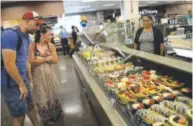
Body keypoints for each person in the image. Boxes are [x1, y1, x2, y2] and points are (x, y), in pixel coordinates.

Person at [1, 11, 44, 126]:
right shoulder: (10, 34)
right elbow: (9, 64)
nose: (38, 28)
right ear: (27, 20)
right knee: (19, 115)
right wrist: (21, 84)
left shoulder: (26, 38)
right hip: (12, 82)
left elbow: (25, 61)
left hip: (22, 79)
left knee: (30, 105)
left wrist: (29, 80)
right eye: (36, 24)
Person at [29, 25, 63, 125]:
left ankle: (55, 113)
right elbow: (31, 61)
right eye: (50, 34)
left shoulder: (51, 46)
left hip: (49, 73)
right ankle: (46, 117)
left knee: (51, 94)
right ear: (42, 35)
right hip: (37, 75)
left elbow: (56, 60)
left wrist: (41, 59)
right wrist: (46, 59)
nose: (51, 36)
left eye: (52, 34)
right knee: (41, 96)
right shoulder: (33, 46)